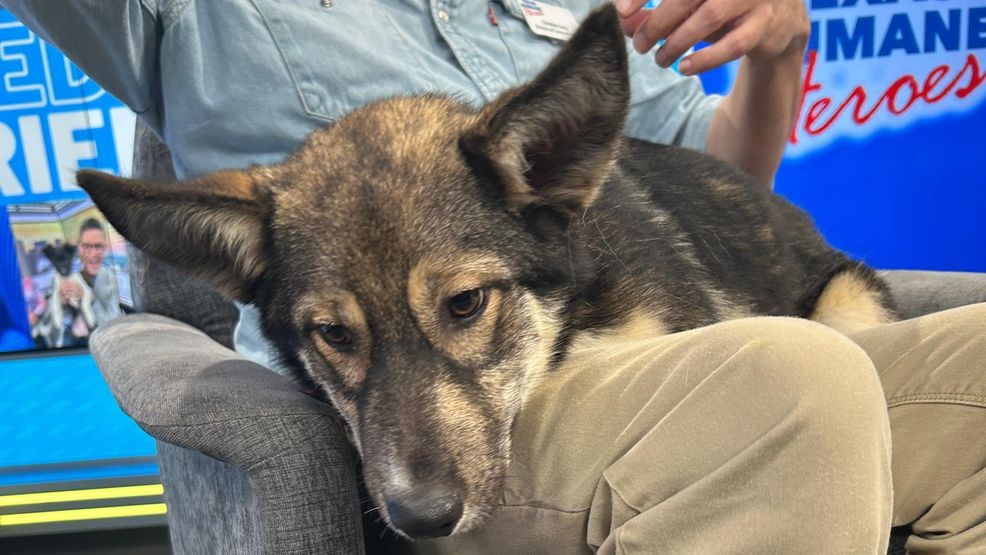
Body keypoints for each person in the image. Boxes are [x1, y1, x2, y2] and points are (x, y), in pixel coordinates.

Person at [3, 1, 983, 552]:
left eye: (459, 302)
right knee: (791, 379)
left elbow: (724, 176)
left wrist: (780, 49)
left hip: (599, 328)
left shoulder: (565, 14)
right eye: (335, 334)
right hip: (566, 402)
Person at [36, 218, 122, 347]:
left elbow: (114, 324)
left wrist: (90, 300)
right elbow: (49, 326)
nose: (93, 253)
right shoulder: (58, 278)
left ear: (104, 249)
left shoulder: (109, 280)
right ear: (79, 248)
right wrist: (62, 303)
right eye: (86, 246)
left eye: (98, 246)